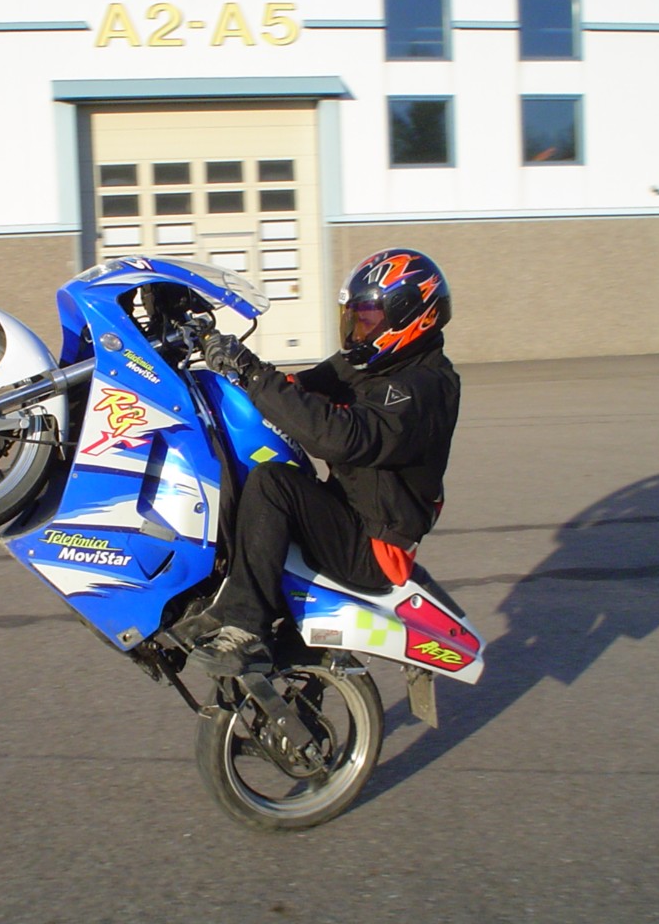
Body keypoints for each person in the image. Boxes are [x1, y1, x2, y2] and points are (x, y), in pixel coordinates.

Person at [187, 248, 461, 677]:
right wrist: (218, 347)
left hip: (374, 546)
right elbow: (300, 389)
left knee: (273, 483)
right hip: (348, 514)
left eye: (367, 320)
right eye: (353, 318)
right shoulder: (376, 361)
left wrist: (253, 375)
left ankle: (246, 628)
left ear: (409, 316)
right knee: (246, 464)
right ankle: (224, 589)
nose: (357, 330)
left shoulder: (422, 387)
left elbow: (339, 436)